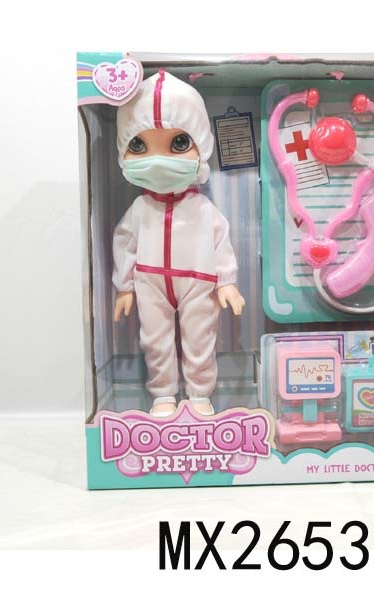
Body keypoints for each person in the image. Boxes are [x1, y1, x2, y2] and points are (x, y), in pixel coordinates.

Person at [112, 70, 245, 417]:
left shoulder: (203, 209)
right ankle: (163, 395)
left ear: (202, 147)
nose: (158, 159)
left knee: (201, 339)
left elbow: (221, 242)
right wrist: (124, 287)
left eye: (179, 143)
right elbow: (125, 243)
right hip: (149, 280)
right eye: (138, 145)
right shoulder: (140, 208)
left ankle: (199, 394)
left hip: (198, 280)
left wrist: (227, 282)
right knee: (154, 340)